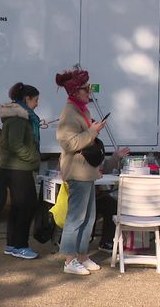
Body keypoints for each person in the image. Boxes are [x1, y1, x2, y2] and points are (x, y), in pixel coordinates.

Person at [55, 68, 125, 275]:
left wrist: (92, 130)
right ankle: (69, 260)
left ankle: (82, 256)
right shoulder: (70, 111)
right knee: (76, 217)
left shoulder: (81, 109)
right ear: (75, 91)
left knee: (88, 217)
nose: (89, 93)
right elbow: (68, 143)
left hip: (87, 171)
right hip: (77, 172)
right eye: (86, 90)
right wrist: (93, 130)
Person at [0, 82, 41, 259]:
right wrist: (32, 156)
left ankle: (12, 244)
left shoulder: (17, 115)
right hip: (19, 168)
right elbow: (14, 143)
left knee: (18, 206)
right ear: (27, 99)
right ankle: (21, 245)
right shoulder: (18, 117)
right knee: (26, 206)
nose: (37, 104)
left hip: (15, 167)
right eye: (36, 100)